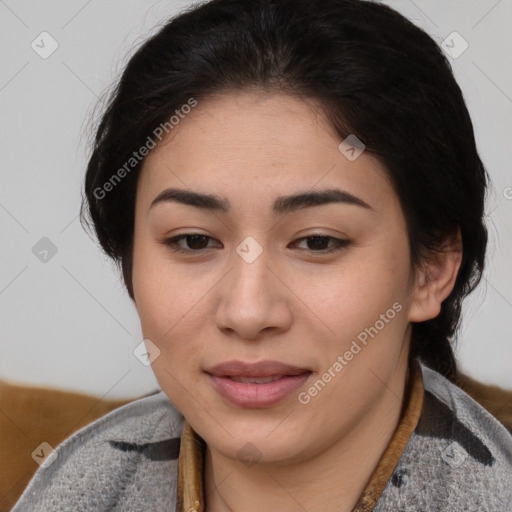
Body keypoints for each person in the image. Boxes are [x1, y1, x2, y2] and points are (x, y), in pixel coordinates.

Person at [11, 0, 512, 510]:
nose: (248, 313)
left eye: (318, 241)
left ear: (432, 269)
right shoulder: (78, 490)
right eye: (193, 240)